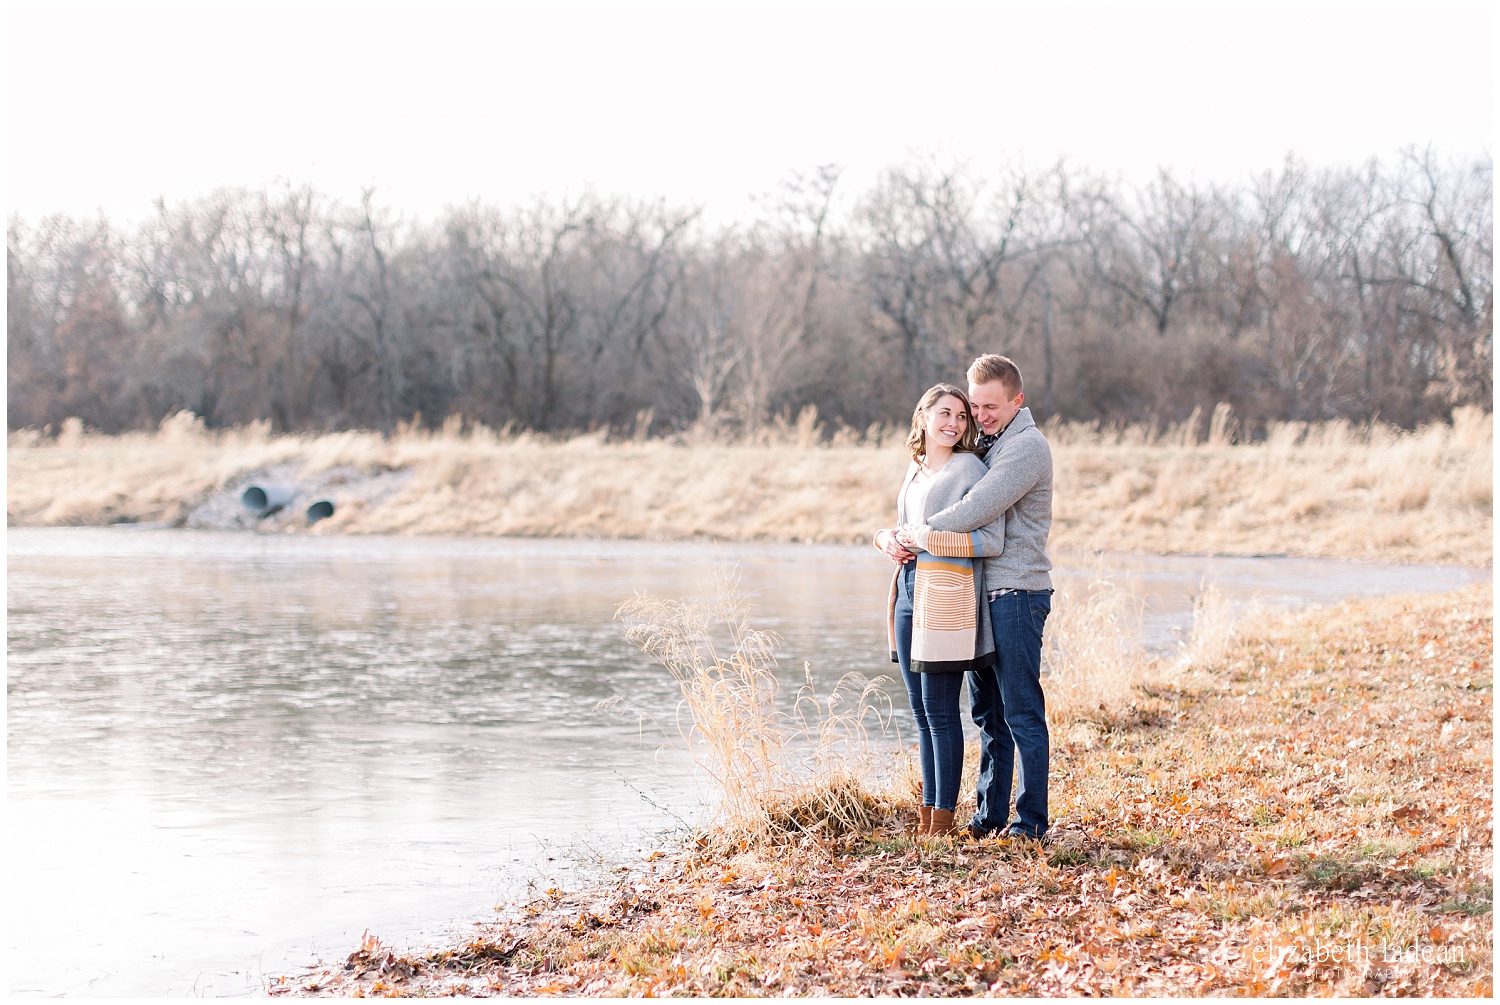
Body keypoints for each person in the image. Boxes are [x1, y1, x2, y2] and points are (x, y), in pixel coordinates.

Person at [899, 354, 1054, 840]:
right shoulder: (991, 441)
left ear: (1017, 401)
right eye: (975, 405)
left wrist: (915, 535)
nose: (980, 415)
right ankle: (988, 816)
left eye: (990, 406)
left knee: (1020, 710)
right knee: (987, 713)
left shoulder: (1025, 448)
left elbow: (979, 507)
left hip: (1017, 591)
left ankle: (1030, 822)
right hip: (981, 595)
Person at [873, 384, 1005, 837]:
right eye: (945, 413)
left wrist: (927, 538)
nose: (954, 423)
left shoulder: (971, 468)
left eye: (962, 417)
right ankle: (928, 814)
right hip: (907, 592)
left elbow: (991, 541)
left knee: (942, 710)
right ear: (923, 416)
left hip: (947, 595)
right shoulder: (915, 469)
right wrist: (884, 538)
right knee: (919, 710)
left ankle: (943, 820)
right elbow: (902, 529)